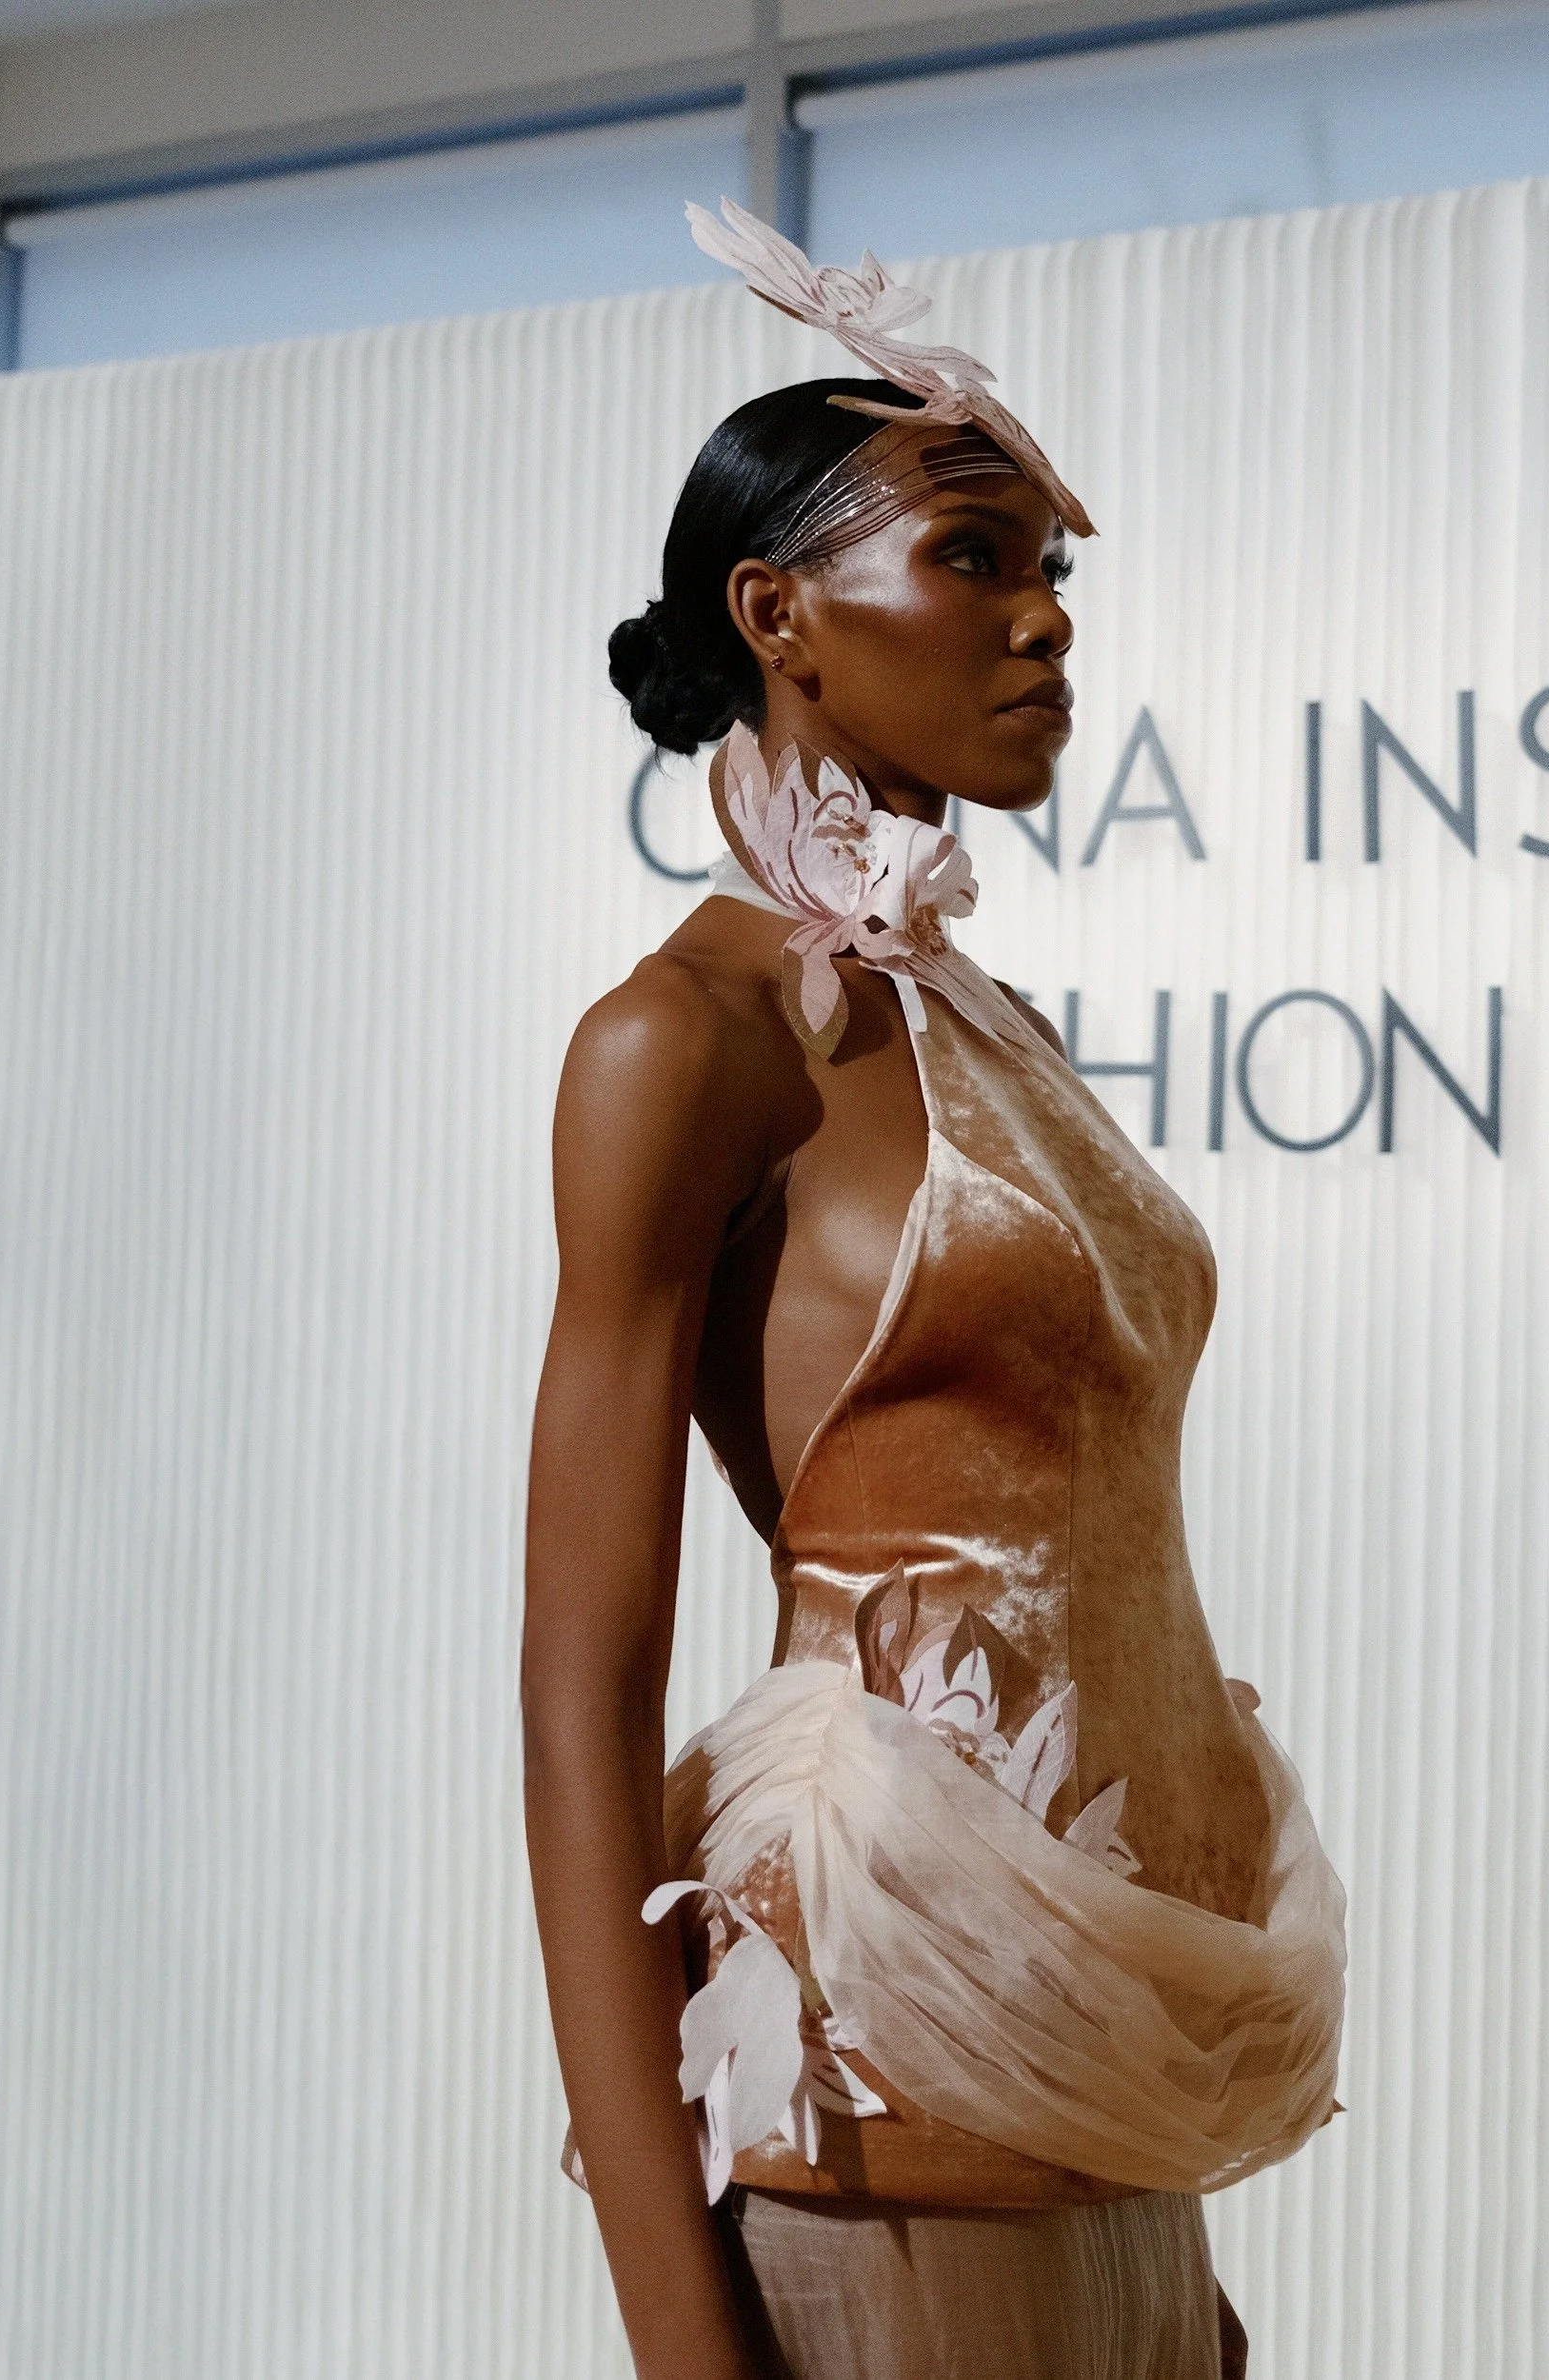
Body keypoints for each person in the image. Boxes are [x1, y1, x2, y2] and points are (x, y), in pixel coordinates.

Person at [522, 202, 1345, 2380]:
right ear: (775, 613)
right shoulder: (681, 1043)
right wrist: (680, 2334)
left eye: (1053, 567)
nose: (1043, 615)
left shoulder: (989, 1028)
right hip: (874, 2087)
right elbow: (579, 1698)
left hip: (1102, 2093)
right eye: (974, 554)